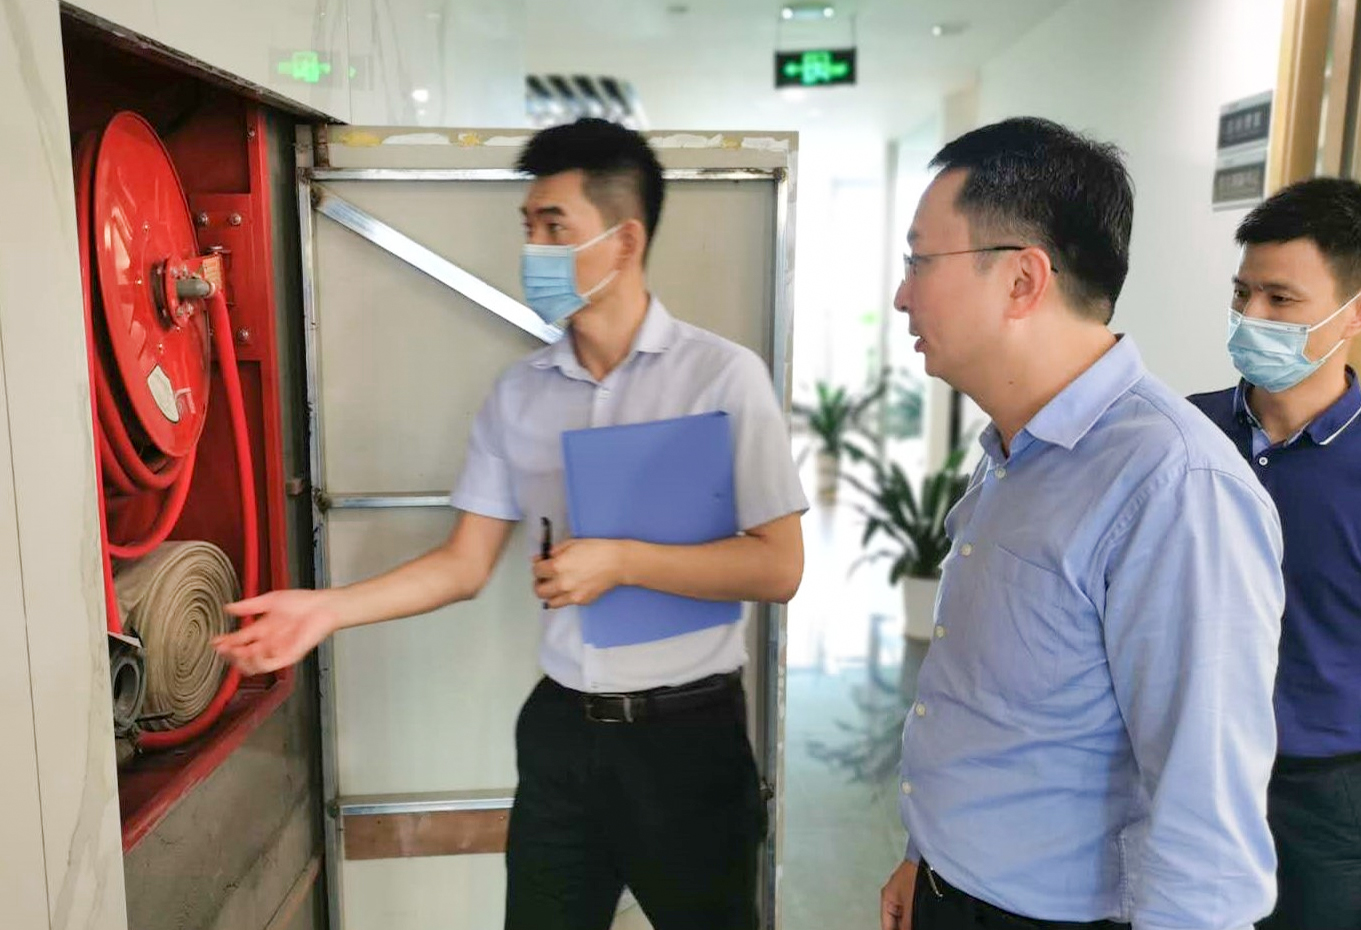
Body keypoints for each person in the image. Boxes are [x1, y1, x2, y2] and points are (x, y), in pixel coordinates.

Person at [212, 117, 807, 930]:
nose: (533, 249)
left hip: (687, 739)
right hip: (563, 734)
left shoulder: (721, 378)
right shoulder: (519, 394)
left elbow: (778, 567)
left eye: (555, 227)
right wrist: (326, 609)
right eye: (527, 226)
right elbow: (462, 565)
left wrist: (622, 562)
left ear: (625, 241)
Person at [878, 117, 1285, 930]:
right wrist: (928, 855)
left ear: (1021, 279)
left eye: (919, 261)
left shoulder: (1173, 485)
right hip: (952, 891)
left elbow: (1204, 815)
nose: (901, 295)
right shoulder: (1014, 448)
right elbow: (994, 701)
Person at [1188, 177, 1361, 930]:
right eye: (1242, 292)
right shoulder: (1180, 437)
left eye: (1280, 299)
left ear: (1352, 314)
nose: (1250, 315)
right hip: (1186, 770)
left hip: (1322, 798)